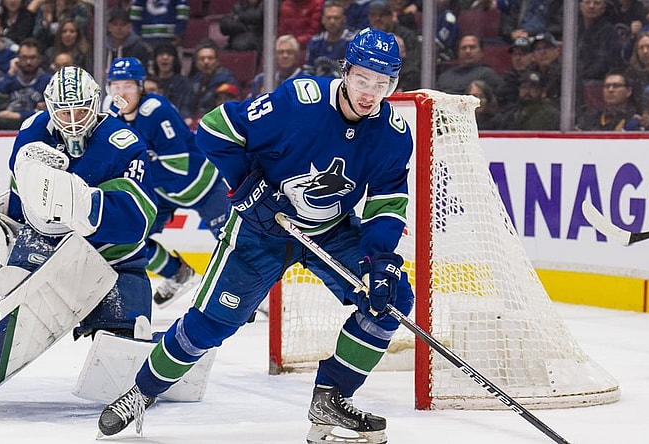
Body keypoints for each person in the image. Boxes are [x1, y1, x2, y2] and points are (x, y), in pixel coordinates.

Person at [97, 27, 415, 444]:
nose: (370, 92)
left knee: (390, 298)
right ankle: (141, 393)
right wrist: (247, 188)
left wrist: (380, 259)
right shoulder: (298, 101)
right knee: (208, 327)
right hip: (259, 232)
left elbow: (386, 204)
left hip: (329, 230)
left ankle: (332, 396)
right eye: (361, 79)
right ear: (345, 71)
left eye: (382, 83)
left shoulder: (393, 133)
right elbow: (214, 130)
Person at [0, 66, 158, 416]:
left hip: (112, 259)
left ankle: (175, 353)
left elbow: (137, 218)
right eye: (63, 111)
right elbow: (18, 198)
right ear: (48, 107)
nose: (72, 120)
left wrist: (82, 203)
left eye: (80, 111)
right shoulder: (32, 131)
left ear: (96, 104)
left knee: (124, 370)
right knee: (8, 308)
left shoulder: (123, 143)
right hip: (42, 244)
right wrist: (9, 233)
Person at [105, 57, 230, 306]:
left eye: (128, 85)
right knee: (130, 239)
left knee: (231, 241)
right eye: (115, 86)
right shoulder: (111, 112)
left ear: (141, 86)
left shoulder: (155, 110)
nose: (121, 93)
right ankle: (178, 272)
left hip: (201, 183)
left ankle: (246, 294)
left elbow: (178, 165)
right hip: (162, 191)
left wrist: (133, 174)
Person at [0, 37, 51, 129]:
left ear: (39, 59)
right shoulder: (10, 78)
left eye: (32, 58)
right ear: (18, 58)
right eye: (24, 58)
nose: (28, 62)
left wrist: (19, 115)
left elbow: (48, 112)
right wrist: (10, 73)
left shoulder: (47, 81)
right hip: (6, 126)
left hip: (36, 126)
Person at [188, 39, 239, 125]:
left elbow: (228, 110)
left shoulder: (227, 81)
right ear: (196, 63)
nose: (206, 62)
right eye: (202, 59)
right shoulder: (194, 81)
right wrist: (186, 117)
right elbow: (186, 105)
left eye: (210, 58)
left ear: (217, 61)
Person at [436, 34, 503, 94]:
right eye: (463, 48)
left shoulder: (488, 75)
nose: (468, 51)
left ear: (481, 52)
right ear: (458, 52)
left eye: (472, 47)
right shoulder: (445, 76)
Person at [575, 71, 642, 130]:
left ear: (629, 91)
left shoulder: (634, 119)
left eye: (616, 86)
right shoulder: (590, 118)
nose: (610, 90)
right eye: (607, 86)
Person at [305, 1, 356, 78]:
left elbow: (352, 73)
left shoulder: (352, 42)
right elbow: (308, 70)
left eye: (336, 18)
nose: (332, 21)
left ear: (344, 19)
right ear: (323, 20)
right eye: (329, 18)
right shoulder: (315, 42)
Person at [496, 70, 560, 130]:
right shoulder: (511, 113)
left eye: (533, 88)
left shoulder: (551, 115)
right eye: (524, 87)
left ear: (543, 92)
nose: (527, 91)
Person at [152, 42, 194, 125]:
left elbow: (185, 107)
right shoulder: (149, 83)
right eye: (161, 54)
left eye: (169, 54)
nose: (165, 57)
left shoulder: (184, 83)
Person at [106, 7, 151, 71]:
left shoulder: (140, 48)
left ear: (130, 27)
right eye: (115, 24)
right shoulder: (101, 48)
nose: (119, 28)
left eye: (123, 24)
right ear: (109, 27)